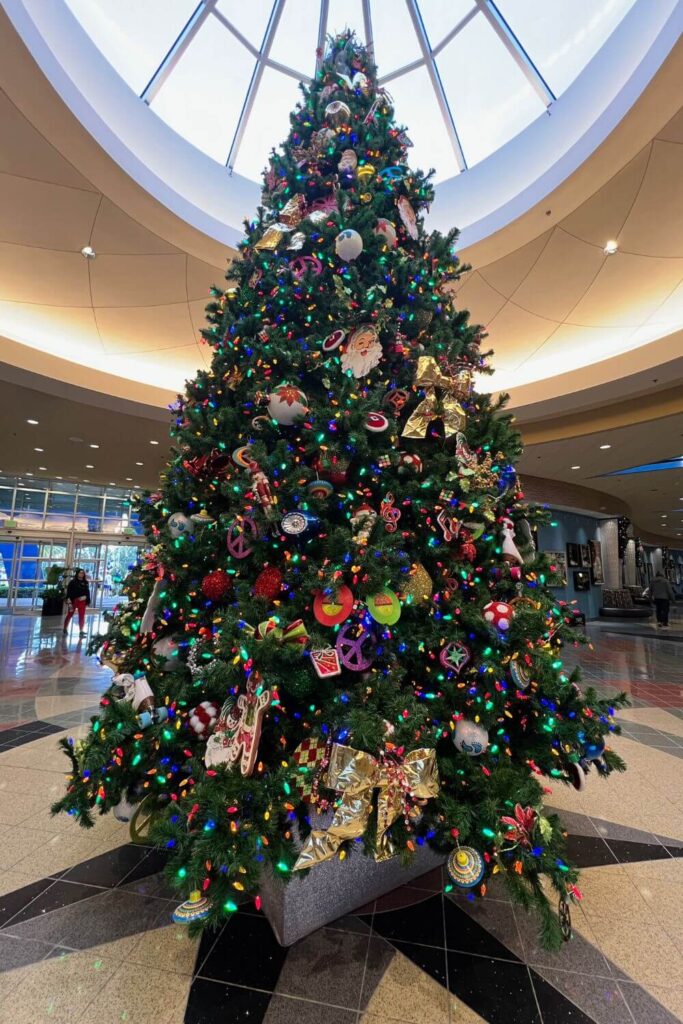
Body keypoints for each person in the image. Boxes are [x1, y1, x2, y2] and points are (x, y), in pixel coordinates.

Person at [64, 568, 91, 636]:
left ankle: (81, 630)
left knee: (82, 616)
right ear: (77, 574)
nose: (81, 574)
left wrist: (86, 598)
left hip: (82, 601)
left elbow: (87, 592)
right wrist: (69, 602)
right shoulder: (72, 582)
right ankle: (65, 628)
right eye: (80, 573)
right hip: (73, 601)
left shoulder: (85, 583)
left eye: (82, 573)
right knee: (70, 614)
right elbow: (69, 593)